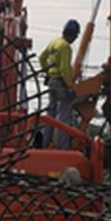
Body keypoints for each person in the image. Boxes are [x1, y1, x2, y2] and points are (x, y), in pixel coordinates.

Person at [38, 19, 80, 148]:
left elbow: (41, 58)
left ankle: (44, 143)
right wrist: (70, 86)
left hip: (52, 81)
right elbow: (65, 69)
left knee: (51, 113)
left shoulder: (54, 43)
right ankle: (62, 146)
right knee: (63, 114)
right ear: (73, 35)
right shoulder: (65, 47)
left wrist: (47, 72)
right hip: (61, 82)